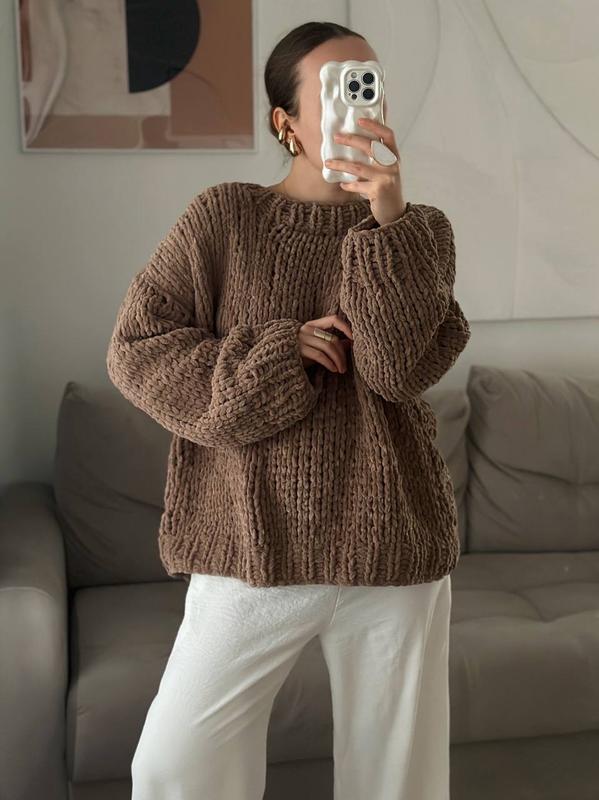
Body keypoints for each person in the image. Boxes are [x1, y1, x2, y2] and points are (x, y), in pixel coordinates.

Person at [106, 19, 471, 800]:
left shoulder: (420, 232)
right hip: (250, 549)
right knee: (175, 768)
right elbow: (137, 350)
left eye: (368, 84)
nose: (360, 102)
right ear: (287, 122)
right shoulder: (224, 218)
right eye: (337, 88)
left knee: (397, 784)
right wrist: (276, 355)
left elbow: (397, 371)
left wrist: (387, 218)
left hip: (391, 547)